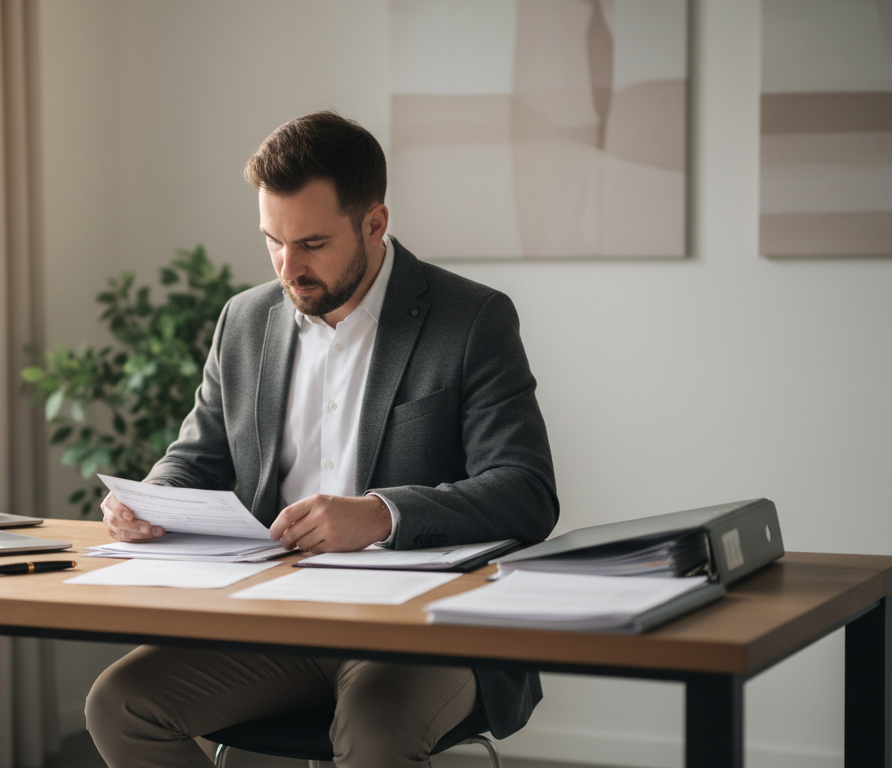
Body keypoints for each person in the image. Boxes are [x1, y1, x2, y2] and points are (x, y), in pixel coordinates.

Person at [85, 111, 558, 767]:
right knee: (121, 704)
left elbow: (526, 493)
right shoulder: (245, 321)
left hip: (426, 627)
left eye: (311, 242)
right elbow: (198, 456)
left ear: (374, 223)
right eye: (272, 241)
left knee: (374, 727)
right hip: (278, 619)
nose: (288, 266)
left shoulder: (471, 320)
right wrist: (152, 500)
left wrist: (381, 513)